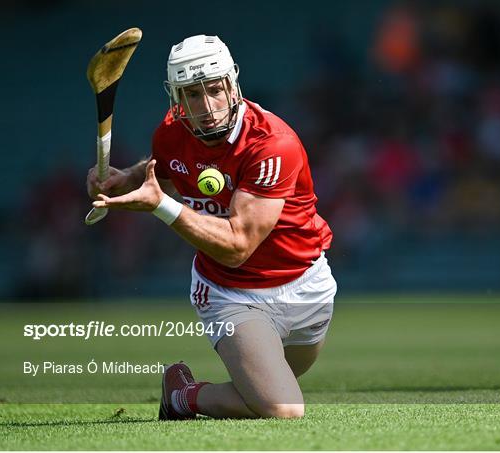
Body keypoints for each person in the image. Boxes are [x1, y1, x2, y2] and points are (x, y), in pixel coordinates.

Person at [87, 35, 337, 420]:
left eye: (214, 90)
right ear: (177, 99)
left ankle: (212, 387)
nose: (206, 106)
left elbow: (238, 243)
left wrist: (161, 206)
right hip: (231, 292)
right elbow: (166, 171)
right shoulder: (170, 133)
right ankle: (183, 396)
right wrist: (127, 178)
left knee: (283, 378)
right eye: (191, 95)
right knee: (282, 407)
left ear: (232, 85)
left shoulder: (272, 144)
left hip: (305, 282)